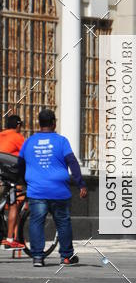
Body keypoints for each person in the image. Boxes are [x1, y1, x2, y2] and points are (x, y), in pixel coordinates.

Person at [17, 108, 88, 267]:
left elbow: (19, 164)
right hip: (59, 191)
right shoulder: (61, 141)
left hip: (36, 191)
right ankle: (66, 257)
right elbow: (72, 162)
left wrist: (25, 182)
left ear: (39, 123)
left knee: (36, 222)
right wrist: (81, 184)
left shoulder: (29, 142)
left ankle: (37, 257)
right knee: (63, 222)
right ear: (54, 123)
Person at [0, 114, 26, 249]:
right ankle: (10, 239)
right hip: (9, 176)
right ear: (18, 125)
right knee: (13, 204)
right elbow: (27, 155)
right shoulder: (17, 137)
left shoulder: (1, 135)